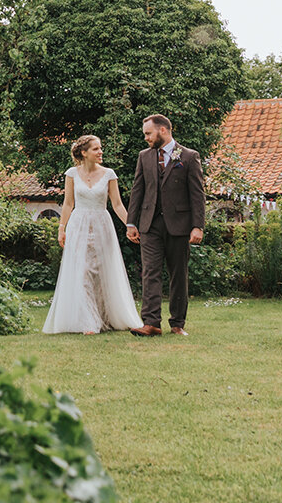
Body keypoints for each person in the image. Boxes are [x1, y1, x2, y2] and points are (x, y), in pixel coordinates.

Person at [41, 134, 142, 334]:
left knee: (103, 271)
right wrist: (62, 228)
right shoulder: (71, 174)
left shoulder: (109, 174)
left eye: (100, 148)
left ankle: (107, 316)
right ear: (83, 152)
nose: (101, 152)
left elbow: (117, 205)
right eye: (96, 149)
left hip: (102, 225)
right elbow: (68, 203)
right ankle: (88, 320)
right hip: (78, 225)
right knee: (83, 270)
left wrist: (131, 225)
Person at [125, 113, 205, 337]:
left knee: (178, 274)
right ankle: (151, 323)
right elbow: (137, 190)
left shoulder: (188, 156)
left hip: (179, 225)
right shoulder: (144, 156)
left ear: (163, 130)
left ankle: (177, 323)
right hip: (149, 224)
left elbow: (197, 194)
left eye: (148, 134)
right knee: (150, 272)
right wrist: (132, 223)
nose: (146, 138)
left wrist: (198, 226)